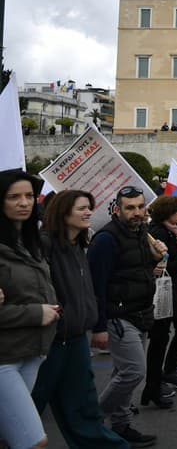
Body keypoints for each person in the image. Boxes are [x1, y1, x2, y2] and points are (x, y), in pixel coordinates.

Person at [31, 190, 128, 448]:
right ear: (63, 212)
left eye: (89, 207)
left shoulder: (78, 245)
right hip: (49, 342)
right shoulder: (44, 245)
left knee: (82, 407)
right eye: (82, 208)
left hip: (74, 340)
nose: (88, 213)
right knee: (30, 409)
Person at [88, 185, 166, 447]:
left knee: (122, 372)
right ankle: (92, 420)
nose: (137, 212)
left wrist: (154, 260)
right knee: (133, 371)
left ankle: (120, 426)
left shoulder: (141, 233)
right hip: (118, 315)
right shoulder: (106, 239)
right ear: (117, 209)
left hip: (140, 312)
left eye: (141, 207)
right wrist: (99, 326)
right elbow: (96, 285)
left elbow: (137, 270)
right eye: (130, 207)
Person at [0, 170, 60, 449]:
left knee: (9, 438)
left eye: (29, 196)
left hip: (32, 353)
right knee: (33, 441)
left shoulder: (30, 243)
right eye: (14, 197)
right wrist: (38, 314)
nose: (24, 202)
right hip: (4, 359)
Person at [145, 196, 177, 405]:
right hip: (165, 289)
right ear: (167, 211)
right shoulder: (156, 232)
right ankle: (154, 382)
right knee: (160, 336)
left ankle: (170, 370)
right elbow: (161, 265)